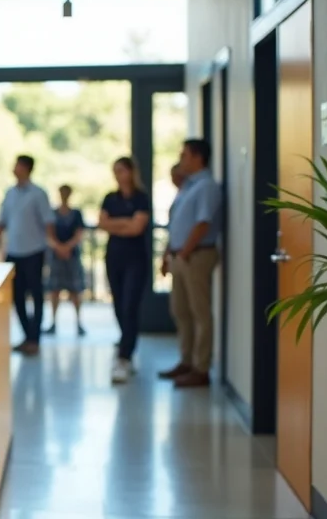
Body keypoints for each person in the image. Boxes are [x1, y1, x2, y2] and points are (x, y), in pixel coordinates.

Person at [159, 139, 222, 387]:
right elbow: (177, 224)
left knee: (200, 312)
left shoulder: (206, 186)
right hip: (180, 256)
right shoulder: (188, 187)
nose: (181, 158)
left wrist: (184, 252)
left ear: (198, 157)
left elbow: (203, 222)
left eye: (184, 154)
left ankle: (201, 368)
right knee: (181, 311)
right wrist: (168, 255)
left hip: (196, 256)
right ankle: (186, 361)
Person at [99, 157, 152, 384]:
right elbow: (103, 224)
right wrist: (125, 223)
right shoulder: (110, 198)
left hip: (136, 260)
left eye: (121, 170)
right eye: (115, 171)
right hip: (114, 258)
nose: (118, 175)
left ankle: (124, 357)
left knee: (130, 305)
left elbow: (137, 228)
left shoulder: (142, 198)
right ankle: (126, 342)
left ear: (131, 172)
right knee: (119, 305)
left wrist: (116, 224)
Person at [0, 155, 57, 355]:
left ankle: (35, 339)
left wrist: (53, 246)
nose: (14, 168)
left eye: (18, 165)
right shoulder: (10, 193)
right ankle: (27, 336)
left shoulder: (38, 194)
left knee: (36, 295)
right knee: (17, 296)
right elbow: (2, 223)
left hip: (34, 251)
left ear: (26, 168)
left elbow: (48, 223)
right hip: (13, 252)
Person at [44, 185, 86, 336]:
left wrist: (67, 247)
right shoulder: (52, 213)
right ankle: (53, 322)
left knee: (75, 290)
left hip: (72, 256)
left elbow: (79, 234)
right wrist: (59, 248)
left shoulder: (76, 214)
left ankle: (79, 322)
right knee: (55, 289)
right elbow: (49, 234)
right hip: (56, 256)